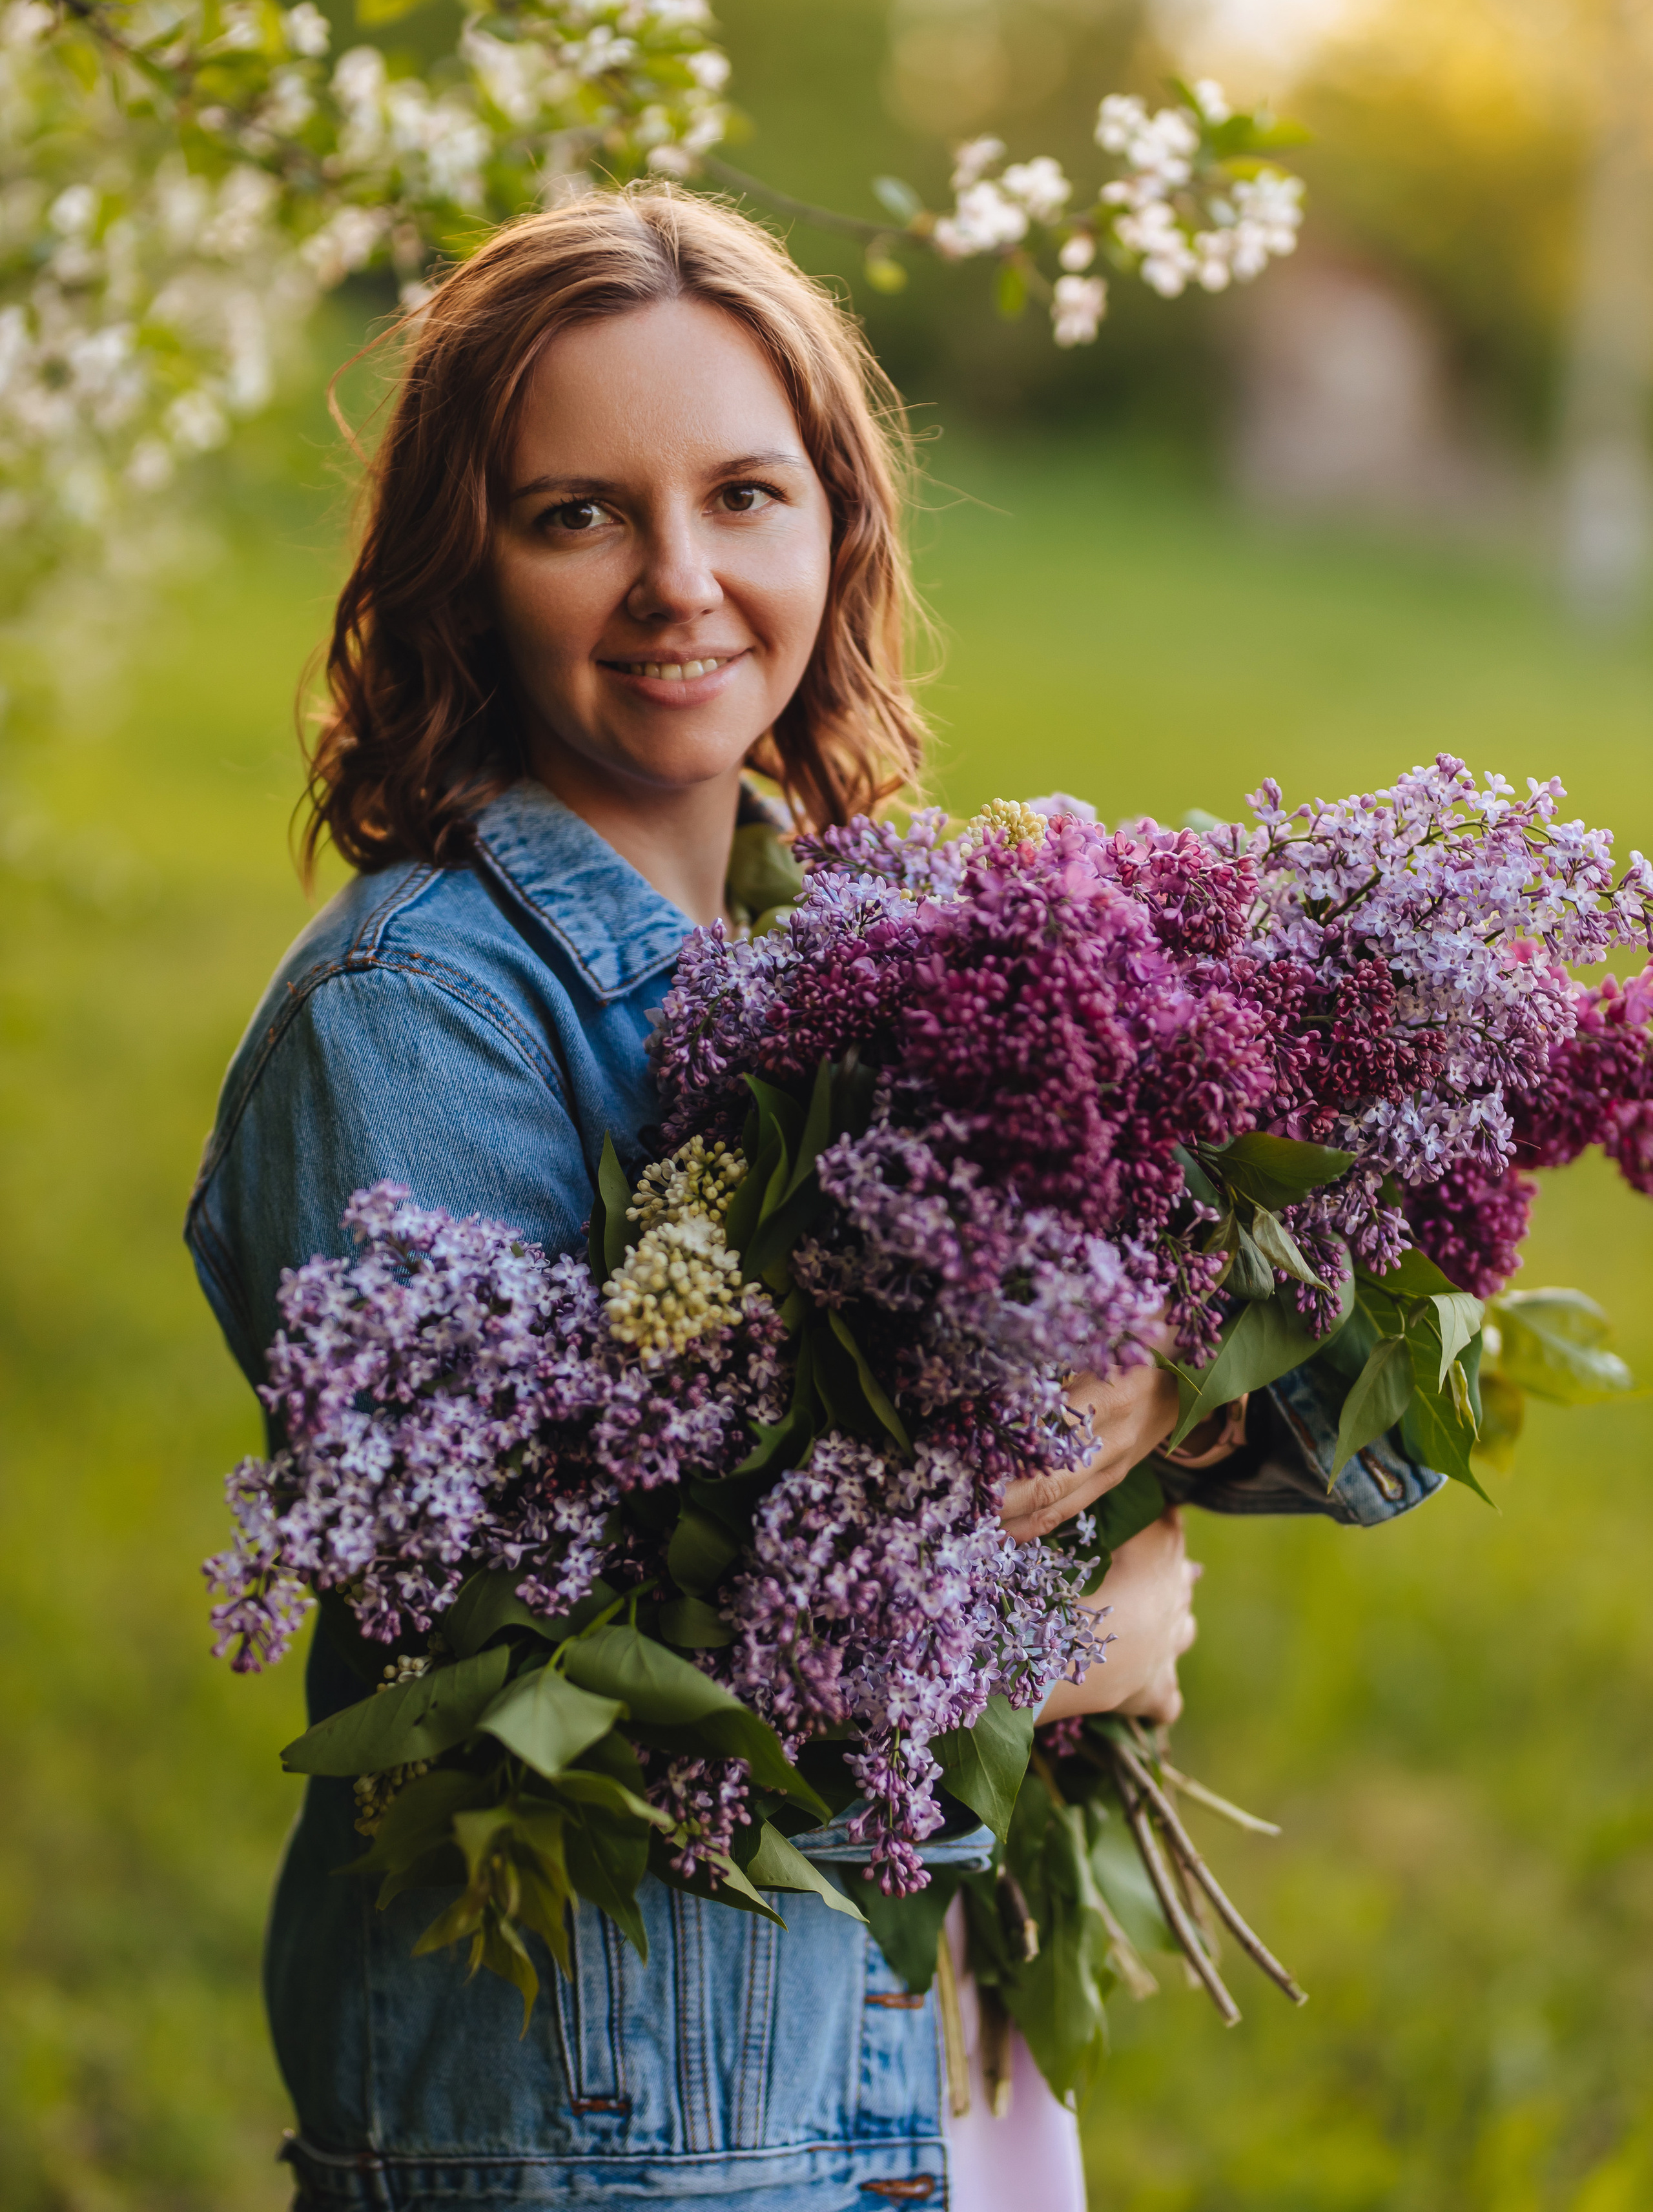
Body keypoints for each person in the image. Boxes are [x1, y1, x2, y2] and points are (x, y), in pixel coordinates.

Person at [183, 187, 1413, 2211]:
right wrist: (1048, 1624)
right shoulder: (412, 1017)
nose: (681, 580)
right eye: (577, 513)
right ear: (460, 566)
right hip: (614, 2118)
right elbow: (509, 1636)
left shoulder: (877, 933)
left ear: (839, 526)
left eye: (744, 495)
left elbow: (1361, 1416)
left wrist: (1176, 1381)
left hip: (901, 2057)